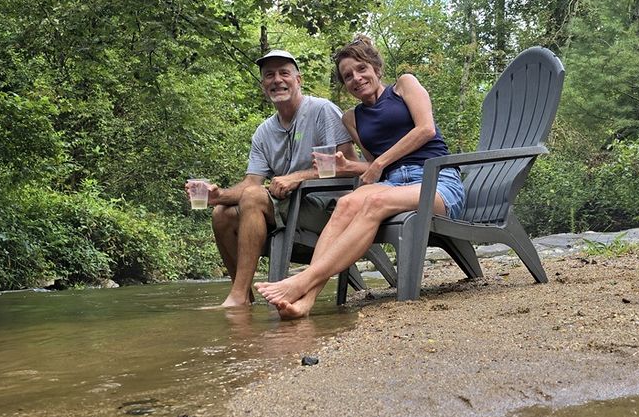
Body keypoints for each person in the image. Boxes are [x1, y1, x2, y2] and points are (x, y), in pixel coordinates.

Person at [254, 35, 465, 319]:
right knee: (345, 205)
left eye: (362, 69)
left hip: (435, 180)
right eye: (348, 76)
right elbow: (368, 166)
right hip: (391, 184)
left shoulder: (405, 85)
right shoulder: (352, 118)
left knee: (372, 203)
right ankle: (306, 301)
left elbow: (426, 129)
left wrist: (379, 163)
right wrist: (344, 165)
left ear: (376, 68)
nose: (356, 78)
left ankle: (302, 281)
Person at [188, 49, 354, 307]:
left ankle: (238, 297)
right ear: (263, 86)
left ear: (298, 79)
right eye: (269, 75)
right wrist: (218, 195)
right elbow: (250, 184)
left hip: (330, 210)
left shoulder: (322, 110)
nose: (277, 80)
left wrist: (298, 176)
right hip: (289, 208)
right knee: (221, 213)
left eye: (284, 73)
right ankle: (244, 296)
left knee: (253, 198)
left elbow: (349, 164)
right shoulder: (264, 132)